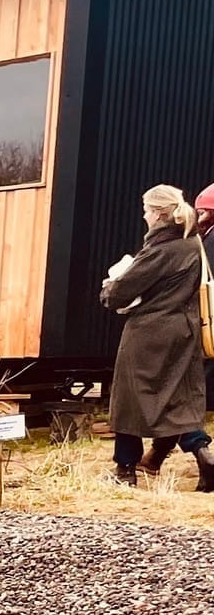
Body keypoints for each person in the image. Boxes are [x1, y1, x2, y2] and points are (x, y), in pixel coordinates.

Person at [102, 183, 212, 487]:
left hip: (148, 333)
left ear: (159, 214)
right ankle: (204, 456)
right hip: (184, 332)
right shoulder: (193, 245)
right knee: (178, 399)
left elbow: (121, 292)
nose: (145, 217)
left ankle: (125, 470)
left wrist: (109, 287)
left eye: (147, 211)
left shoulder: (159, 249)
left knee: (130, 400)